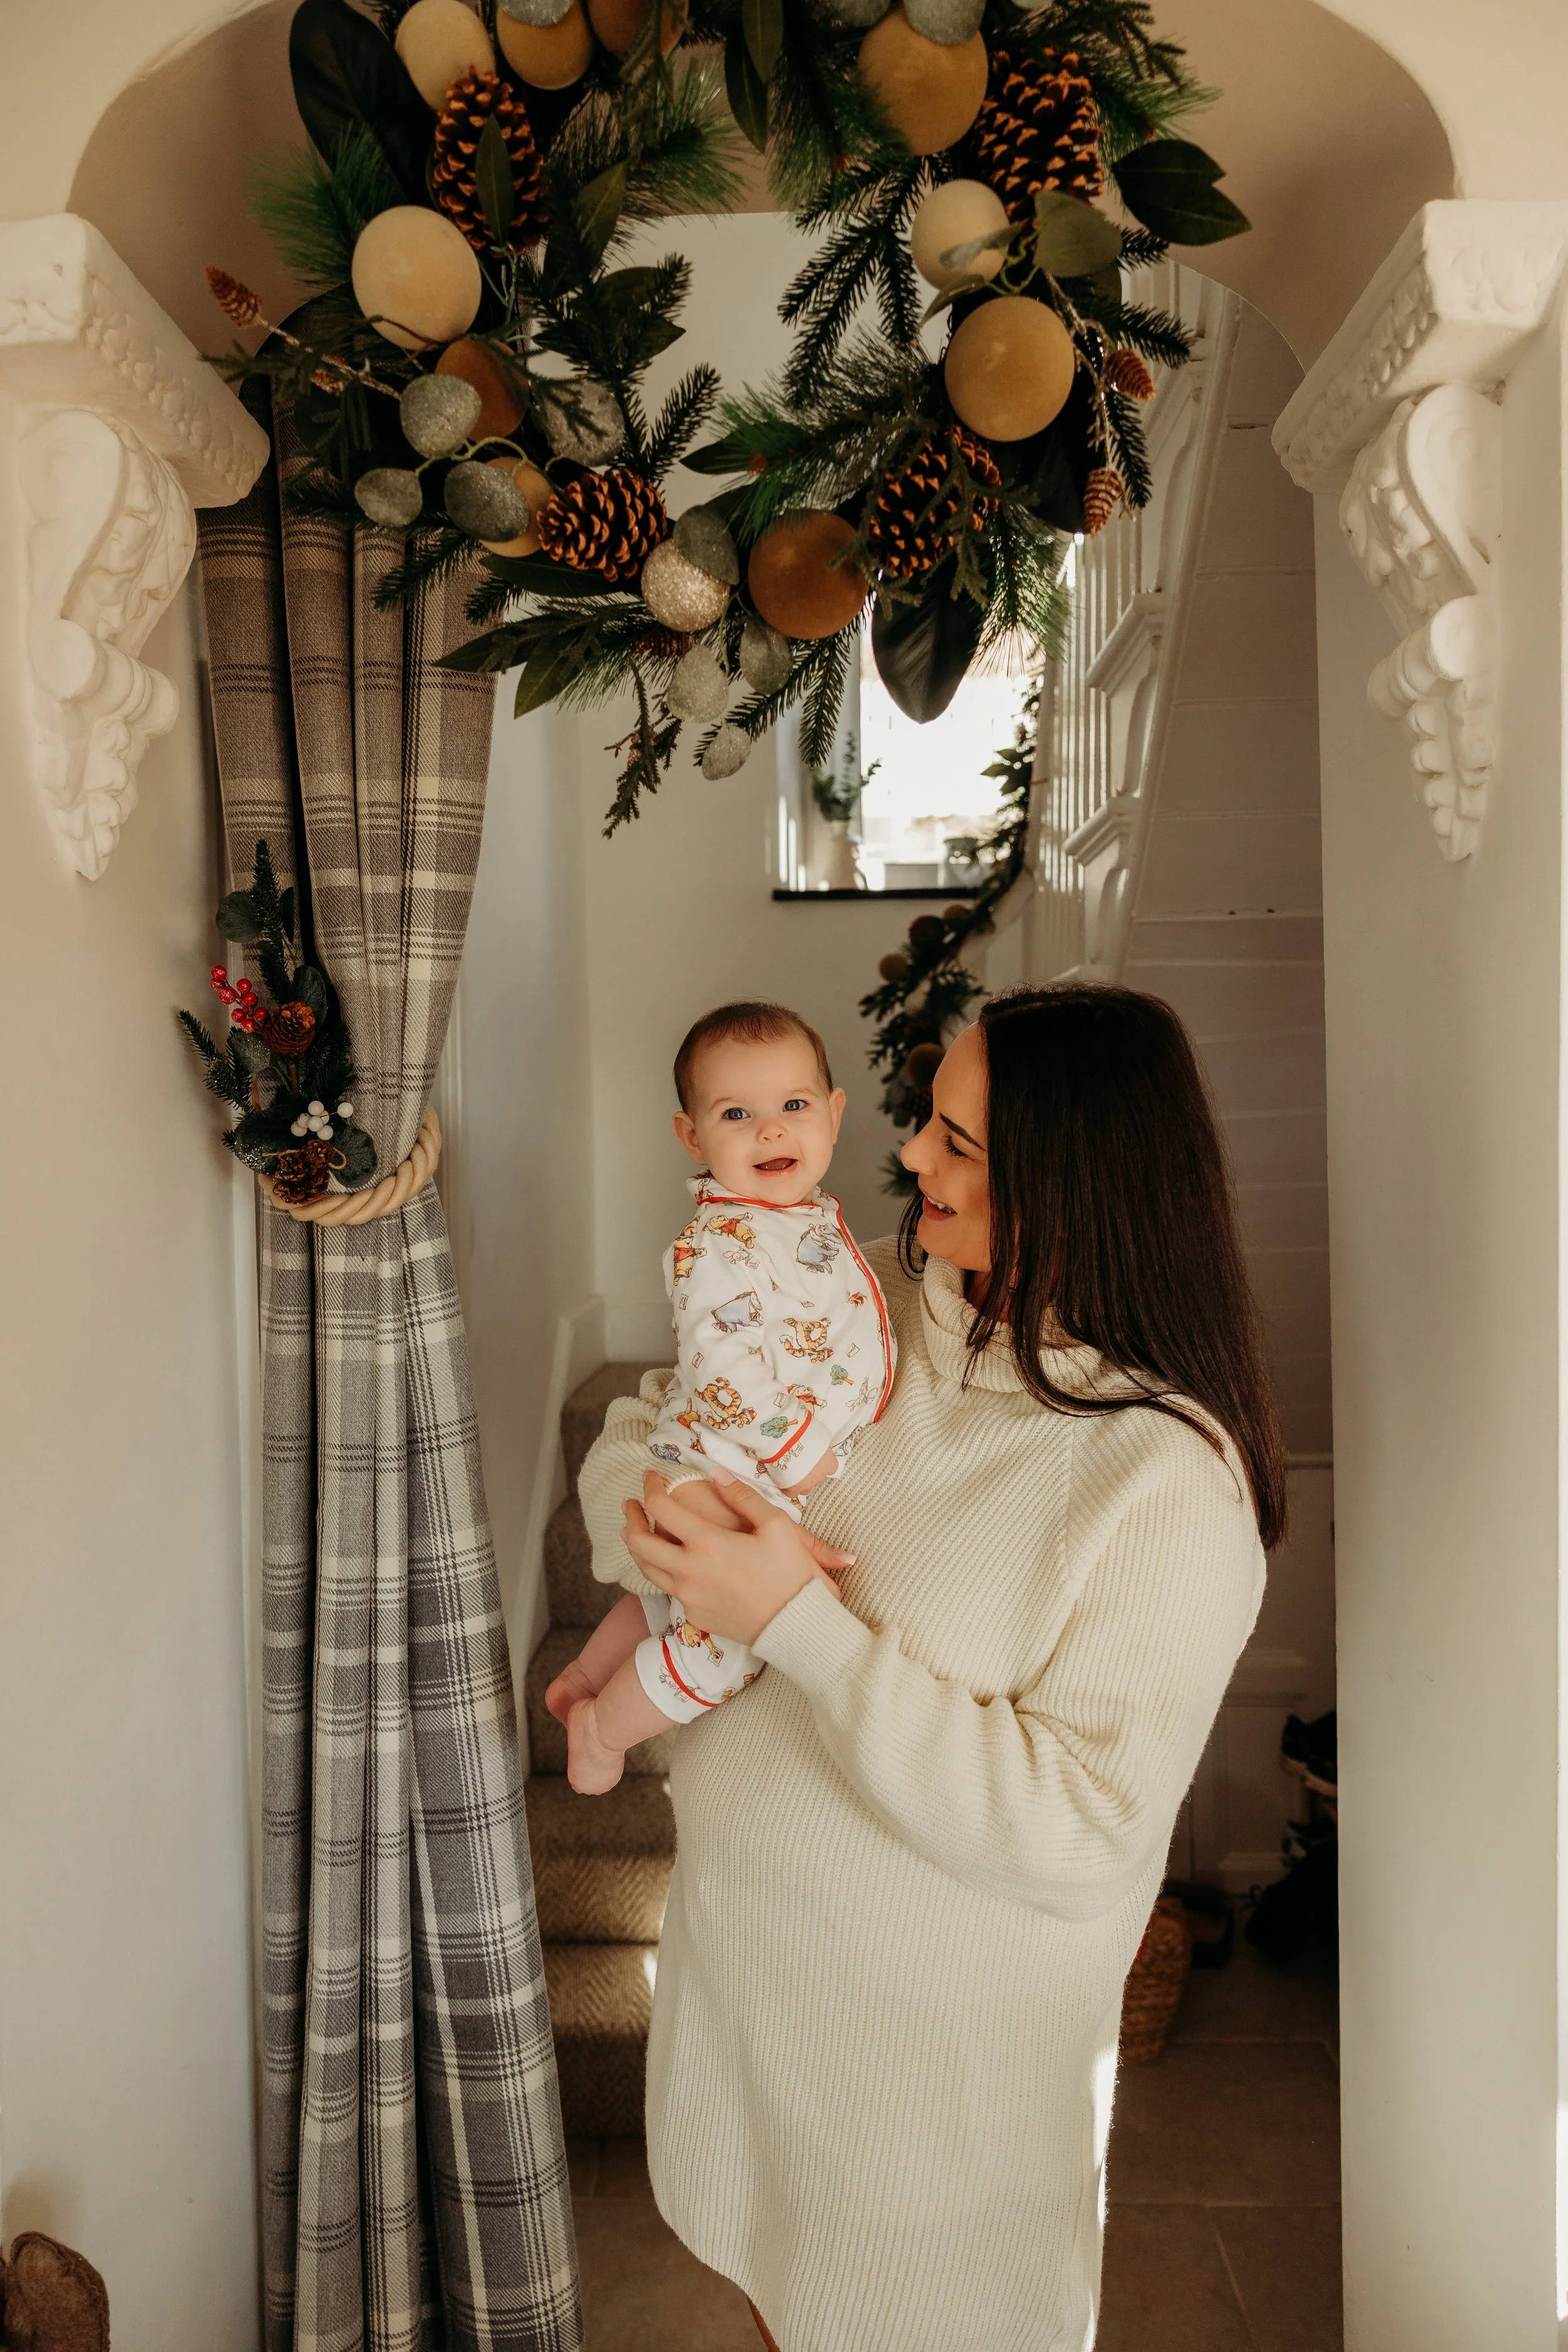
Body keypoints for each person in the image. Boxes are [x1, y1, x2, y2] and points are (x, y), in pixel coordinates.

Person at [578, 985, 1281, 2352]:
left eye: (957, 1145)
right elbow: (652, 1422)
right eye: (927, 1127)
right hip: (746, 2009)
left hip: (917, 2114)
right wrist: (647, 1529)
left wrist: (797, 1621)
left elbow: (1078, 1833)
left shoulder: (1161, 1480)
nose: (907, 1159)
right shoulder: (863, 1297)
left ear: (1072, 1187)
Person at [548, 1001, 893, 1793]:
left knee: (680, 1591)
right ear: (692, 1137)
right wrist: (797, 1451)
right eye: (737, 1113)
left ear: (834, 1117)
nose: (771, 1131)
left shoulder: (806, 1220)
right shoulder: (714, 1245)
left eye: (794, 1106)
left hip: (736, 1466)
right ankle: (606, 1730)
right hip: (729, 1466)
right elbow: (722, 1368)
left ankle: (586, 1677)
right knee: (731, 1640)